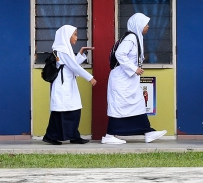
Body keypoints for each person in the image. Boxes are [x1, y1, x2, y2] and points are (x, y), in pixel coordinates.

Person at [103, 13, 167, 145]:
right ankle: (109, 135)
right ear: (138, 25)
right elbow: (120, 54)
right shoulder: (131, 38)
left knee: (137, 104)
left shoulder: (136, 38)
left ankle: (148, 132)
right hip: (121, 80)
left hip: (128, 81)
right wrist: (134, 68)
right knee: (119, 107)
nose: (148, 26)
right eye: (145, 24)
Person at [43, 25, 96, 145]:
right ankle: (58, 136)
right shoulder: (62, 50)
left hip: (67, 84)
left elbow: (71, 64)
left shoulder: (65, 50)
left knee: (70, 110)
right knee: (65, 112)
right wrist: (90, 78)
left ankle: (69, 135)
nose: (77, 37)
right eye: (75, 34)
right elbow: (74, 66)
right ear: (66, 36)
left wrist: (81, 53)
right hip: (63, 86)